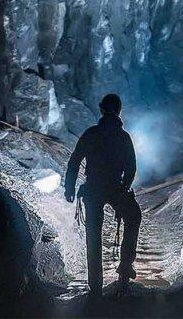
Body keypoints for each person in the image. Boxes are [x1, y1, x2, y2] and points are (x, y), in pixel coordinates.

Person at [63, 93, 142, 294]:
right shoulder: (123, 137)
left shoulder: (91, 134)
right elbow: (131, 167)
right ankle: (125, 270)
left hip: (93, 188)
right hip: (115, 187)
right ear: (119, 110)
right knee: (133, 217)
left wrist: (69, 188)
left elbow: (74, 161)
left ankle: (95, 285)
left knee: (93, 234)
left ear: (101, 109)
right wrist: (124, 186)